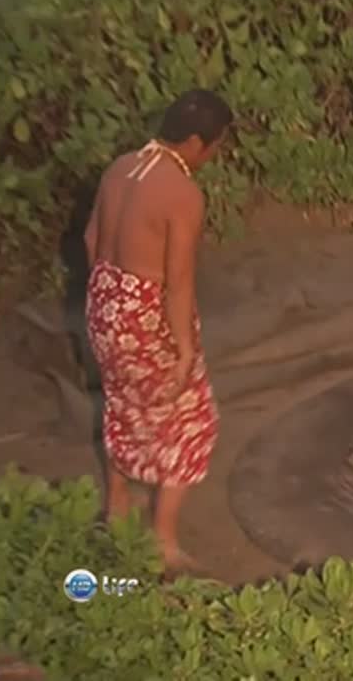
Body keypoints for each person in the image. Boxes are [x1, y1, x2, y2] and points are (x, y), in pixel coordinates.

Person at [83, 89, 232, 573]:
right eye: (216, 145)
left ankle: (117, 509)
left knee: (124, 403)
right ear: (195, 143)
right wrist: (184, 349)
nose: (215, 155)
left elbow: (91, 239)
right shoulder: (182, 193)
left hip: (104, 300)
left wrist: (112, 300)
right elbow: (178, 280)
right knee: (190, 420)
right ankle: (162, 543)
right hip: (147, 314)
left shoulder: (121, 168)